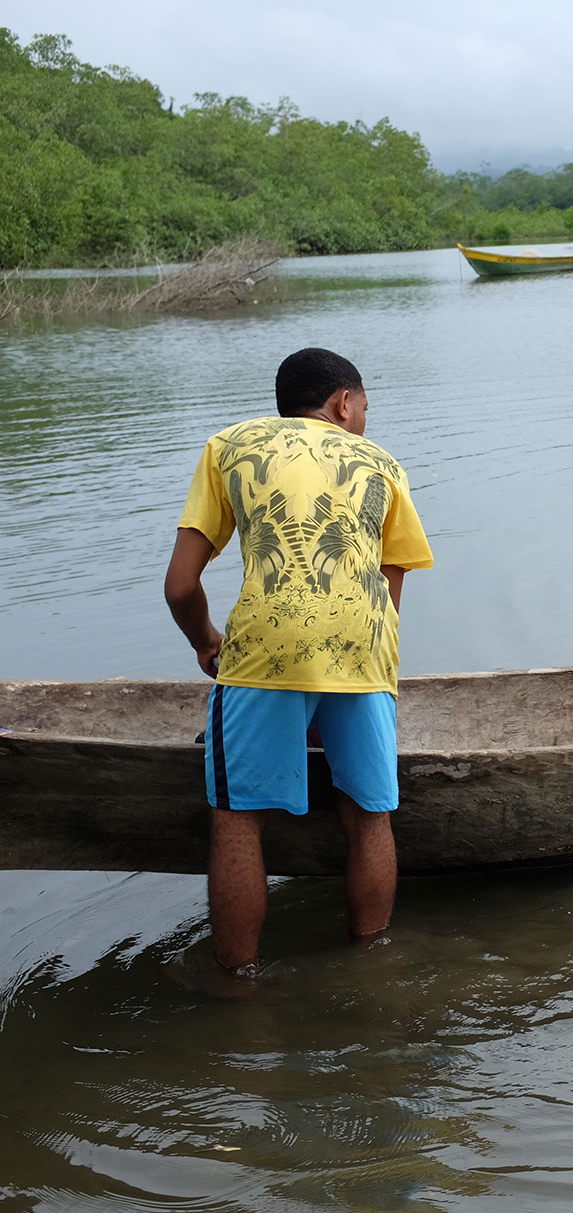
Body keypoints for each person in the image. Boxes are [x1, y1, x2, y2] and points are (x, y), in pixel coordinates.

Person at [163, 347, 434, 980]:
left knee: (237, 820)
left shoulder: (229, 446)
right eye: (364, 407)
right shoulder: (382, 463)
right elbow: (388, 594)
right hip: (363, 659)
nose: (364, 418)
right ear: (344, 403)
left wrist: (206, 640)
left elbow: (180, 586)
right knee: (370, 815)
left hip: (263, 657)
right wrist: (359, 670)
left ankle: (237, 984)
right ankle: (371, 962)